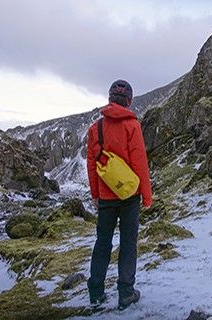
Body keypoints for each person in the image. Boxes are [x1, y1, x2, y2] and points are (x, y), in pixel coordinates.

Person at [86, 79, 153, 310]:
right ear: (129, 101)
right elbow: (140, 163)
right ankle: (126, 293)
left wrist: (95, 194)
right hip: (129, 196)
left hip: (105, 197)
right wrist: (147, 195)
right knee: (128, 243)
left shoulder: (96, 128)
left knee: (102, 242)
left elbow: (92, 166)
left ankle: (95, 292)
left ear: (109, 99)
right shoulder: (132, 126)